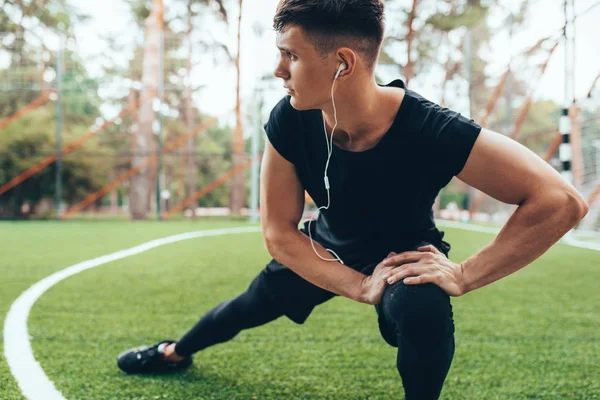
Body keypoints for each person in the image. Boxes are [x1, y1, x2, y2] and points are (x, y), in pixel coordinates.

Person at [117, 1, 589, 399]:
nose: (279, 70)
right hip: (325, 248)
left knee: (422, 309)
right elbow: (279, 233)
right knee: (247, 305)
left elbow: (561, 200)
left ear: (343, 62)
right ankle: (173, 353)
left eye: (291, 57)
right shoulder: (290, 118)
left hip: (403, 256)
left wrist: (466, 274)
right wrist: (358, 285)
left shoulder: (431, 129)